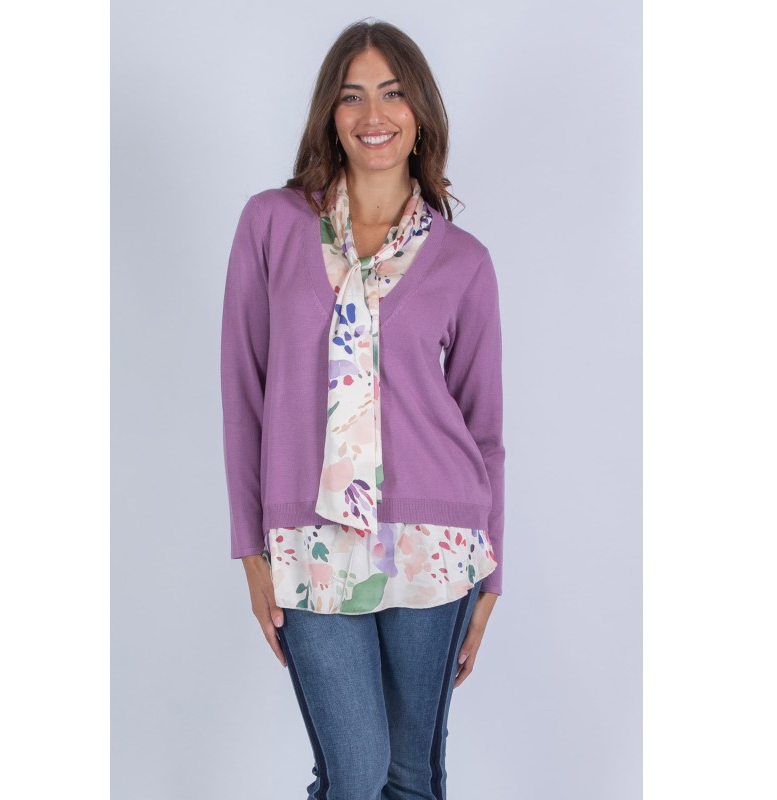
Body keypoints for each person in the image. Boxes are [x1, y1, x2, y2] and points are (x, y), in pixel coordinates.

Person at [220, 18, 505, 800]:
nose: (372, 114)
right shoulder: (272, 225)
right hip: (309, 535)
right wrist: (251, 551)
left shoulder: (464, 261)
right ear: (330, 113)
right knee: (354, 773)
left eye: (391, 93)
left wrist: (493, 577)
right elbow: (243, 392)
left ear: (420, 114)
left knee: (411, 778)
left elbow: (484, 430)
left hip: (438, 541)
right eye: (352, 96)